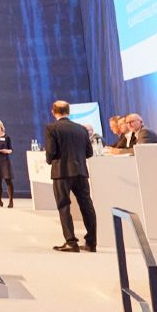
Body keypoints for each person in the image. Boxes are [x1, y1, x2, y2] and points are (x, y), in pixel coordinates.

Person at [45, 100, 97, 253]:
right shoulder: (81, 129)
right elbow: (89, 153)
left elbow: (51, 152)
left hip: (61, 172)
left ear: (53, 112)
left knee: (64, 206)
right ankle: (91, 242)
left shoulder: (51, 128)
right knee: (87, 205)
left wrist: (50, 160)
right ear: (69, 111)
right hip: (81, 172)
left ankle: (71, 242)